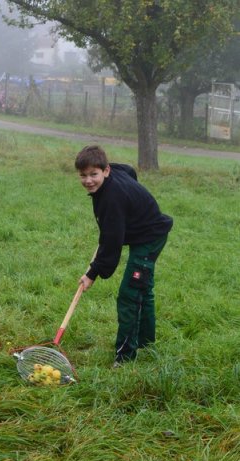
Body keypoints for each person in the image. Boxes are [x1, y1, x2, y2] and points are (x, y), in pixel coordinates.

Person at [75, 145, 173, 367]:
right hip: (148, 232)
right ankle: (145, 342)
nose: (88, 180)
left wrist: (91, 273)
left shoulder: (111, 200)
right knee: (142, 289)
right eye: (83, 175)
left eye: (94, 174)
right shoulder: (114, 174)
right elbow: (129, 170)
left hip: (150, 238)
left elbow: (111, 244)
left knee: (130, 293)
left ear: (106, 171)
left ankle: (125, 357)